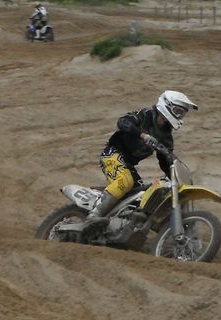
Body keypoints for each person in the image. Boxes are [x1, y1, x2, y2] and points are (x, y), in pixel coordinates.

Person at [82, 90, 199, 232]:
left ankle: (118, 227)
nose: (180, 116)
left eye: (182, 113)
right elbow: (123, 122)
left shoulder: (166, 136)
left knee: (142, 196)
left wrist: (176, 177)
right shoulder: (146, 116)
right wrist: (141, 134)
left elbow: (164, 161)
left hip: (129, 165)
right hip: (112, 154)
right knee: (124, 182)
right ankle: (93, 216)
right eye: (178, 111)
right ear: (166, 105)